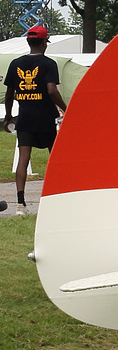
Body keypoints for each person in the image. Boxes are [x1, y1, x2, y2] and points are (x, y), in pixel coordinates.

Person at [3, 24, 66, 212]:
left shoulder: (15, 64)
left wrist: (8, 116)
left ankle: (20, 203)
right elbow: (51, 90)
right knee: (54, 158)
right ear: (45, 43)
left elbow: (9, 94)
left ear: (28, 42)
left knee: (23, 159)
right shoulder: (49, 64)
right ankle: (56, 196)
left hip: (25, 119)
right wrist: (65, 108)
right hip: (46, 118)